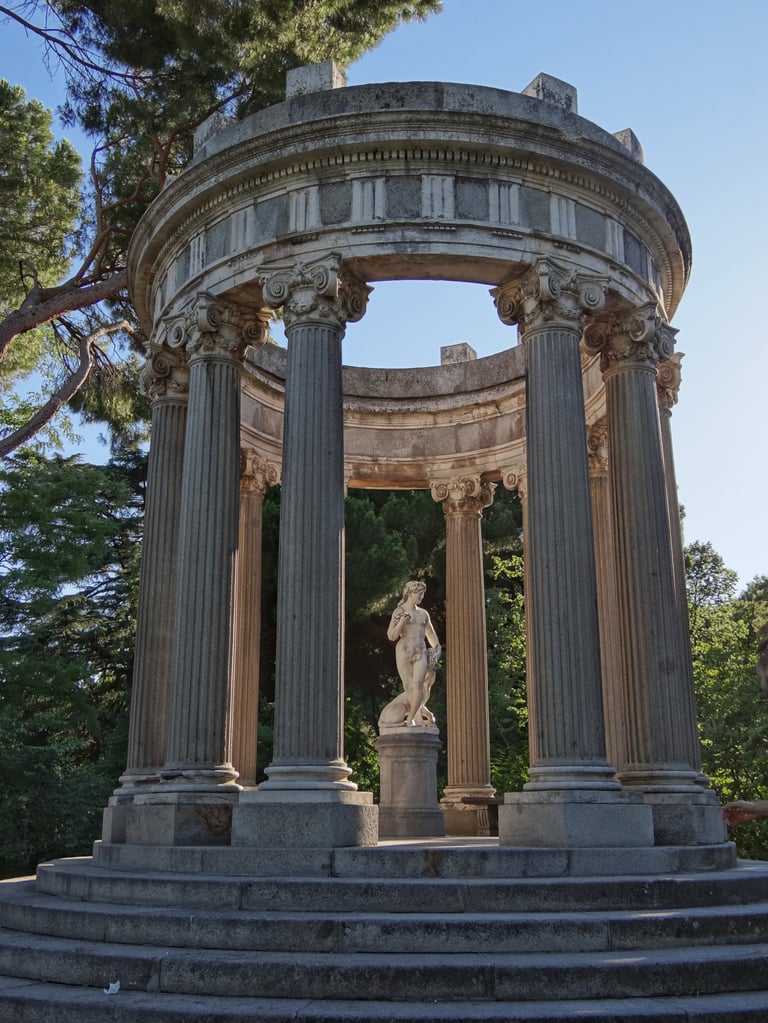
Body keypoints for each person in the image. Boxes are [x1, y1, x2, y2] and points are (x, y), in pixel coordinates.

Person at [380, 580, 441, 728]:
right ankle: (416, 719)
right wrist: (401, 623)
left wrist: (437, 648)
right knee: (409, 686)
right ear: (410, 593)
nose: (421, 596)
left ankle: (411, 718)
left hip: (420, 651)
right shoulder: (399, 612)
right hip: (404, 650)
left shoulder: (423, 614)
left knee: (419, 685)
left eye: (423, 594)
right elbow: (391, 636)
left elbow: (431, 635)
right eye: (419, 593)